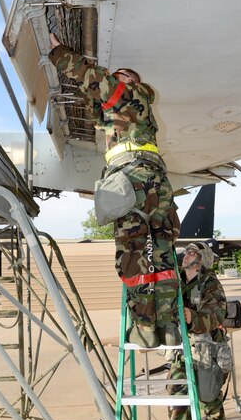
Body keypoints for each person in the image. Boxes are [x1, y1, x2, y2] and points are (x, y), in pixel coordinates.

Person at [49, 33, 180, 347]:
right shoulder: (131, 113)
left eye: (119, 76)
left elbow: (94, 80)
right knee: (160, 252)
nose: (112, 79)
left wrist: (58, 52)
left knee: (133, 251)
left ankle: (146, 329)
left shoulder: (130, 95)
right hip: (154, 178)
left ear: (130, 81)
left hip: (132, 177)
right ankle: (170, 325)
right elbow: (96, 103)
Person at [165, 241, 227, 420]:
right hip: (181, 351)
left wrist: (194, 317)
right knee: (176, 399)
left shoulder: (211, 283)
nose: (185, 254)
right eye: (186, 251)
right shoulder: (176, 280)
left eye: (192, 252)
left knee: (208, 404)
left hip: (205, 350)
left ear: (201, 260)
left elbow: (217, 314)